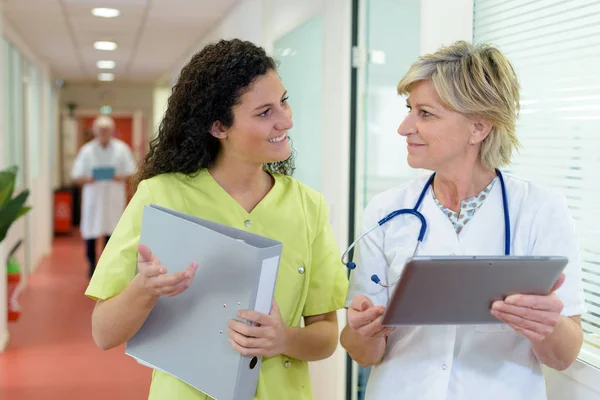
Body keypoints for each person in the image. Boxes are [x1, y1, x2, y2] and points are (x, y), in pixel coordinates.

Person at [84, 39, 348, 400]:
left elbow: (326, 337)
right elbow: (103, 333)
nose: (285, 120)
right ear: (218, 127)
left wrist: (283, 338)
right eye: (264, 112)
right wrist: (144, 290)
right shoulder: (161, 196)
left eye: (283, 101)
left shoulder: (308, 206)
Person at [341, 41, 585, 400]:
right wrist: (363, 333)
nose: (404, 127)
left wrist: (547, 326)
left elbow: (563, 356)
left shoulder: (540, 209)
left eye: (425, 113)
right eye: (409, 109)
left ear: (478, 127)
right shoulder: (386, 211)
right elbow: (363, 352)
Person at [71, 115, 136, 277]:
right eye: (100, 130)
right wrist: (88, 178)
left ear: (112, 131)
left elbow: (132, 171)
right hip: (93, 197)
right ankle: (92, 264)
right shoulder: (86, 150)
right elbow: (76, 176)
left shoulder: (122, 149)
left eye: (106, 130)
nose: (103, 133)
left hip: (113, 197)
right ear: (94, 131)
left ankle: (107, 267)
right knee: (91, 232)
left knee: (111, 232)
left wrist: (119, 176)